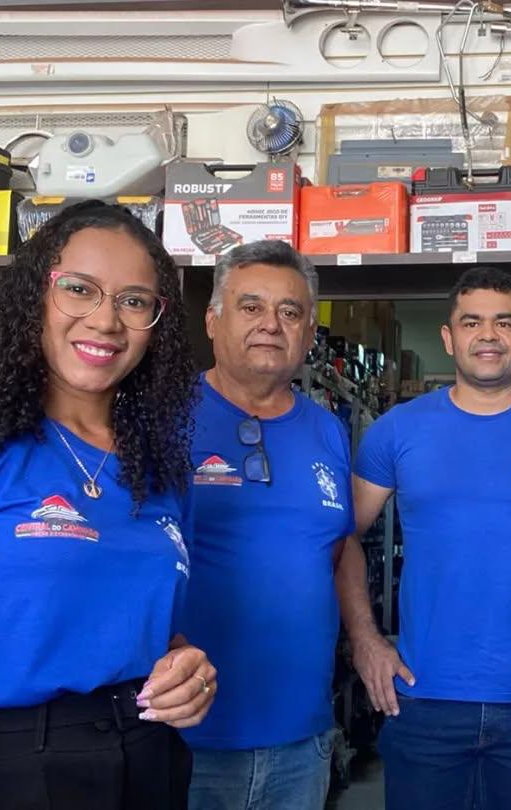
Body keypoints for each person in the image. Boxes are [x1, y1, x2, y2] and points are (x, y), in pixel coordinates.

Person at [0, 201, 215, 810]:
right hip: (10, 765)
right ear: (35, 298)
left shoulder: (162, 472)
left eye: (134, 300)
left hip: (150, 755)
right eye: (78, 289)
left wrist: (186, 670)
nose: (106, 320)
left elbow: (152, 631)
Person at [337, 266, 511, 810]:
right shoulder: (397, 431)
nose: (487, 335)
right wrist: (366, 643)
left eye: (503, 322)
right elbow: (341, 537)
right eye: (471, 322)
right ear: (449, 337)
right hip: (422, 700)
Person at [180, 241, 353, 810]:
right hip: (185, 737)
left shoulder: (329, 432)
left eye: (290, 312)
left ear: (307, 334)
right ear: (213, 320)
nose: (271, 325)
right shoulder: (160, 418)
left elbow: (335, 547)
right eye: (250, 307)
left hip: (302, 739)